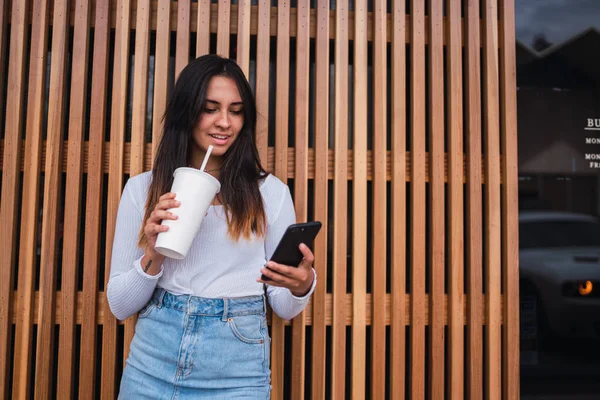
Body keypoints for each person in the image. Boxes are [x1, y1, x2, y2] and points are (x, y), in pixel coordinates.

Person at [107, 54, 317, 399]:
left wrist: (301, 284)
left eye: (235, 111)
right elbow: (120, 304)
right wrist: (153, 254)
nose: (224, 122)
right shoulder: (142, 190)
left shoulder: (271, 193)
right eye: (210, 108)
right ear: (186, 113)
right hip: (152, 363)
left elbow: (282, 305)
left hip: (236, 371)